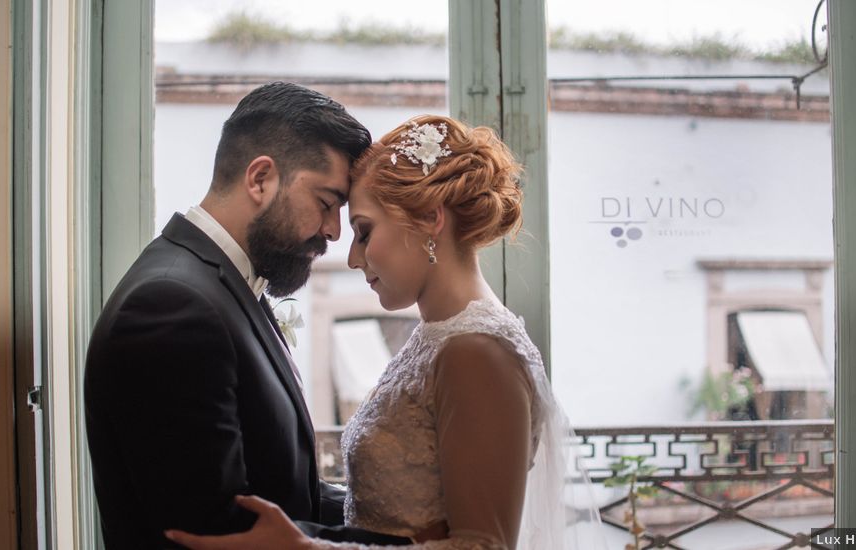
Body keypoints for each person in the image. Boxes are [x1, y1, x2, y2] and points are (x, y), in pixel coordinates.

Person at [165, 116, 606, 550]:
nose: (354, 258)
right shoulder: (434, 338)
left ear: (431, 219)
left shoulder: (476, 351)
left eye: (364, 231)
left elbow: (483, 547)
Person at [84, 82, 416, 549]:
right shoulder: (170, 306)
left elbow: (282, 495)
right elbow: (218, 530)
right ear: (260, 178)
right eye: (326, 203)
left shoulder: (219, 283)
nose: (334, 231)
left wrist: (408, 515)